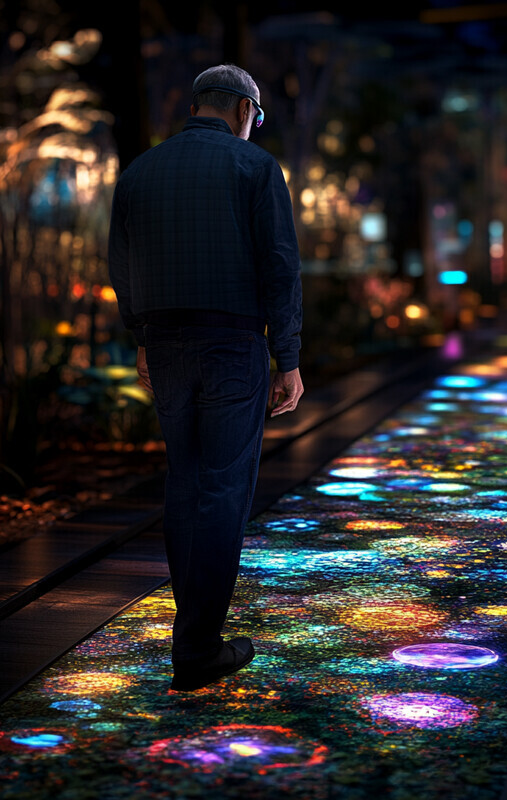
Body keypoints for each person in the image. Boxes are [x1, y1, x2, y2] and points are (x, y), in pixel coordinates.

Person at [108, 64, 303, 692]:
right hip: (232, 343)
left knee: (184, 484)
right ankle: (197, 648)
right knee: (222, 491)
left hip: (165, 343)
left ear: (197, 106)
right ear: (245, 110)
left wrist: (141, 335)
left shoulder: (140, 171)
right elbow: (279, 265)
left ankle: (191, 636)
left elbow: (122, 260)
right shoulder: (255, 168)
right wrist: (290, 359)